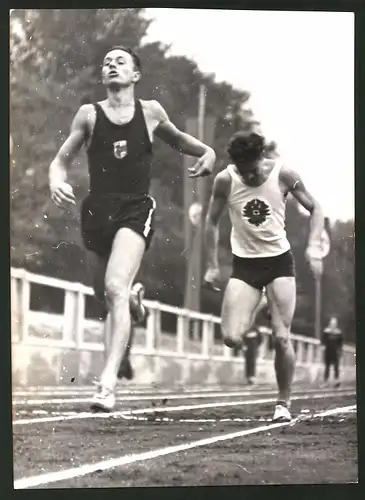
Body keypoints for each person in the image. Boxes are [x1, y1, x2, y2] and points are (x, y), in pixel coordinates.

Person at [49, 46, 216, 411]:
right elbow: (60, 161)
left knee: (113, 288)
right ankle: (135, 301)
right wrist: (55, 181)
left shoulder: (151, 112)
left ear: (136, 75)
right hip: (96, 210)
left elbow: (178, 140)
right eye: (106, 61)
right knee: (105, 297)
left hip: (135, 208)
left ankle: (107, 384)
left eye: (119, 61)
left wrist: (208, 152)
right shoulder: (89, 115)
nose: (111, 64)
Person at [204, 130, 324, 422]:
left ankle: (282, 404)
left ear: (262, 158)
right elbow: (211, 221)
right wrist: (212, 265)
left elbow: (316, 208)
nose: (250, 178)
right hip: (244, 265)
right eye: (244, 173)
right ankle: (258, 304)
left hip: (279, 263)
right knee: (232, 338)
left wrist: (313, 246)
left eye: (254, 171)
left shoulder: (283, 174)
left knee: (282, 337)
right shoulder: (225, 180)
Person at [321, 316, 343, 388]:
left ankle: (336, 381)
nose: (333, 325)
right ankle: (326, 381)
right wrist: (323, 346)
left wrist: (340, 350)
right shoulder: (326, 331)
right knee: (327, 367)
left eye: (334, 323)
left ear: (336, 324)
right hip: (328, 351)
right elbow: (323, 340)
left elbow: (340, 343)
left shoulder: (338, 333)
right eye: (332, 323)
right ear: (330, 324)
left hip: (335, 352)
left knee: (336, 367)